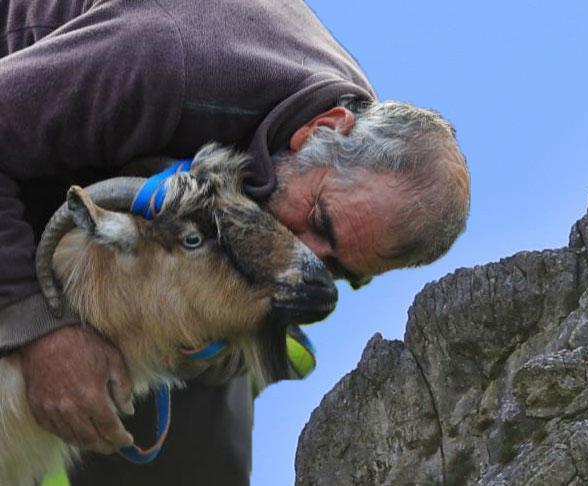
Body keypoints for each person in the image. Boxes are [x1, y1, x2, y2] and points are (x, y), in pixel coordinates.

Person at [0, 1, 470, 484]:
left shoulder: (347, 168)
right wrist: (40, 330)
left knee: (198, 464)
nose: (302, 255)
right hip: (22, 143)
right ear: (321, 129)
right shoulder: (169, 62)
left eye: (338, 269)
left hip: (134, 205)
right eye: (318, 222)